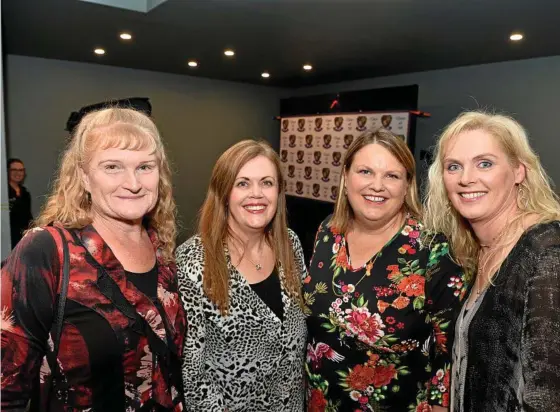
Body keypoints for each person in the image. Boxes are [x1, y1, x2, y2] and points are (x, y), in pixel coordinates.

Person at [0, 107, 186, 411]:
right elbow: (6, 388)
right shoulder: (47, 251)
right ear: (84, 177)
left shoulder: (161, 249)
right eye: (112, 167)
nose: (133, 182)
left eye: (145, 167)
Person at [303, 129, 468, 412]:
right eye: (365, 171)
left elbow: (451, 349)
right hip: (319, 400)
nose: (376, 185)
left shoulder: (431, 248)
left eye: (391, 175)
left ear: (407, 186)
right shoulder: (328, 231)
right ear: (345, 178)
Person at [424, 111, 560, 412]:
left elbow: (547, 397)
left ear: (518, 171)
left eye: (484, 163)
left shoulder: (547, 250)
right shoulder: (481, 250)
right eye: (453, 166)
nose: (466, 178)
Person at [176, 140, 308, 411]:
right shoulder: (193, 261)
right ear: (224, 193)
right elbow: (193, 373)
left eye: (267, 183)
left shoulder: (290, 245)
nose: (257, 194)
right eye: (243, 183)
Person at [7, 158, 33, 248]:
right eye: (14, 170)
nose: (18, 173)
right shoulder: (4, 193)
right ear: (7, 172)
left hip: (23, 238)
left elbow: (28, 217)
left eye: (21, 170)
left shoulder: (25, 193)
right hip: (7, 238)